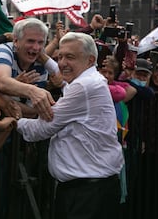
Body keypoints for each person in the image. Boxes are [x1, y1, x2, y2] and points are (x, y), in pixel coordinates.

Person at [16, 32, 124, 219]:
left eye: (70, 57)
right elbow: (61, 73)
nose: (63, 62)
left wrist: (13, 117)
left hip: (87, 196)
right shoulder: (85, 80)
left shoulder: (84, 86)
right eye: (60, 56)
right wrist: (42, 55)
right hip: (89, 190)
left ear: (90, 60)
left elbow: (41, 129)